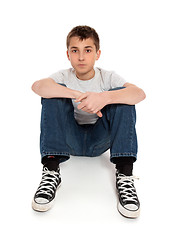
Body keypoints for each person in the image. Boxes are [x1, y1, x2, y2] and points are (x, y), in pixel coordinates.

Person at [31, 25, 146, 218]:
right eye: (75, 51)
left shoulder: (107, 77)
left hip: (100, 140)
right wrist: (75, 94)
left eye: (88, 50)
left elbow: (139, 94)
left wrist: (104, 98)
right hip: (68, 142)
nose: (81, 57)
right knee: (53, 93)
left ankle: (125, 174)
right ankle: (51, 172)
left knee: (123, 98)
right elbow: (38, 87)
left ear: (97, 54)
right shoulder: (62, 76)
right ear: (68, 54)